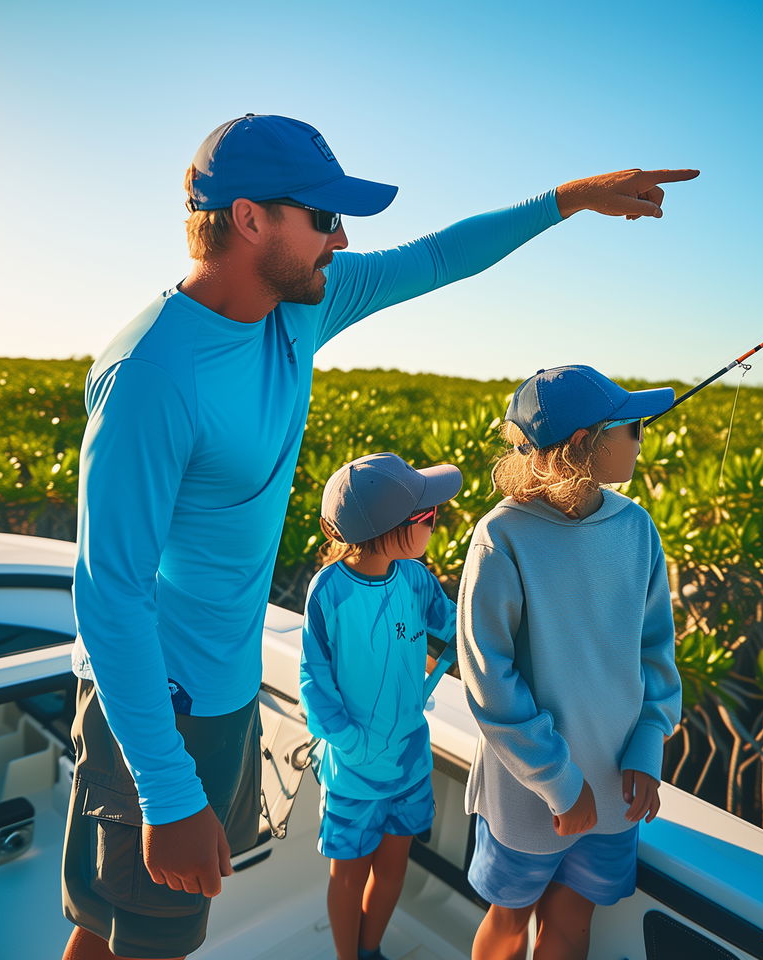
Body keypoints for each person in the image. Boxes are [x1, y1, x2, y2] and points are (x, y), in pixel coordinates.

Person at [64, 110, 698, 960]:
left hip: (222, 689)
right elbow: (111, 600)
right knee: (138, 944)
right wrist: (169, 793)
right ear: (250, 218)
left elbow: (437, 258)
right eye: (323, 217)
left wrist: (571, 201)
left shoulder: (297, 311)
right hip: (154, 709)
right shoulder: (149, 377)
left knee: (137, 938)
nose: (342, 237)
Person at [456, 365, 683, 960]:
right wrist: (561, 783)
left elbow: (656, 648)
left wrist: (648, 744)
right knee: (509, 924)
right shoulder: (500, 536)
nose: (642, 437)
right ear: (587, 442)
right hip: (527, 796)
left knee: (572, 922)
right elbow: (489, 682)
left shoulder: (638, 528)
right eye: (632, 427)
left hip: (615, 791)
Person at [299, 452, 460, 960]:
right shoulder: (328, 592)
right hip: (353, 774)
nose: (436, 525)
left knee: (393, 869)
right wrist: (353, 743)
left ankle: (370, 951)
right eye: (430, 518)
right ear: (396, 527)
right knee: (348, 877)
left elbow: (455, 625)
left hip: (412, 764)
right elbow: (314, 683)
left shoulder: (415, 578)